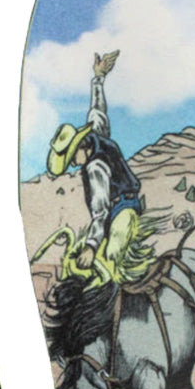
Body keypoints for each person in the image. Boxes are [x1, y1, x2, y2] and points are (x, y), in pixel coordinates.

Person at [46, 50, 142, 272]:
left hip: (123, 212)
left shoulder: (95, 167)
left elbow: (100, 212)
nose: (73, 164)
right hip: (116, 212)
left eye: (71, 158)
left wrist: (90, 247)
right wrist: (98, 77)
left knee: (110, 262)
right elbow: (98, 109)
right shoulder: (97, 135)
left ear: (80, 146)